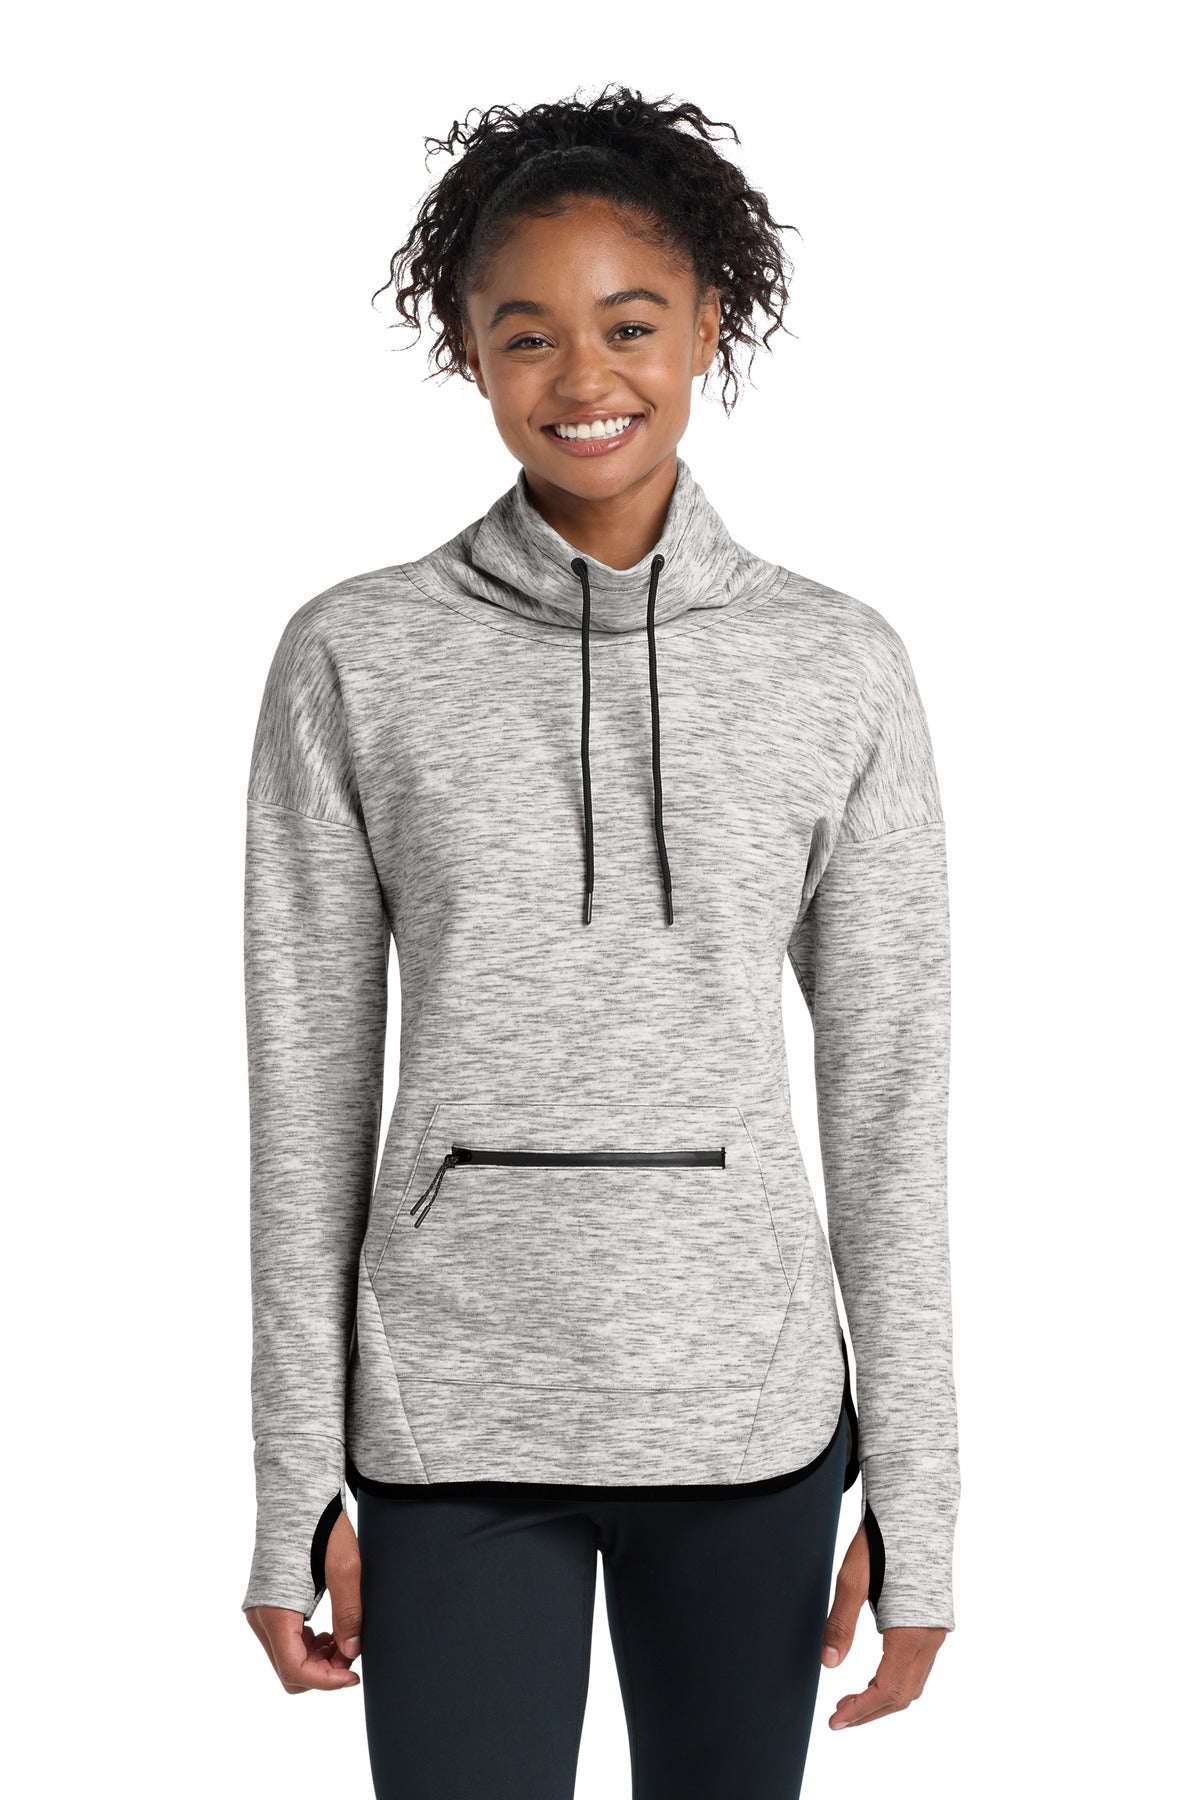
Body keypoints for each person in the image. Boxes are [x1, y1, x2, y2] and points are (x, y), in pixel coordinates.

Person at [239, 84, 960, 1800]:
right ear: (467, 352)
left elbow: (893, 1099)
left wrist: (921, 1498)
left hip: (747, 1414)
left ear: (711, 323)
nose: (585, 377)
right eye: (528, 333)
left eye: (631, 324)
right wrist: (288, 1489)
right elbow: (304, 1093)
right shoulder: (355, 659)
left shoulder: (835, 666)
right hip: (449, 1413)